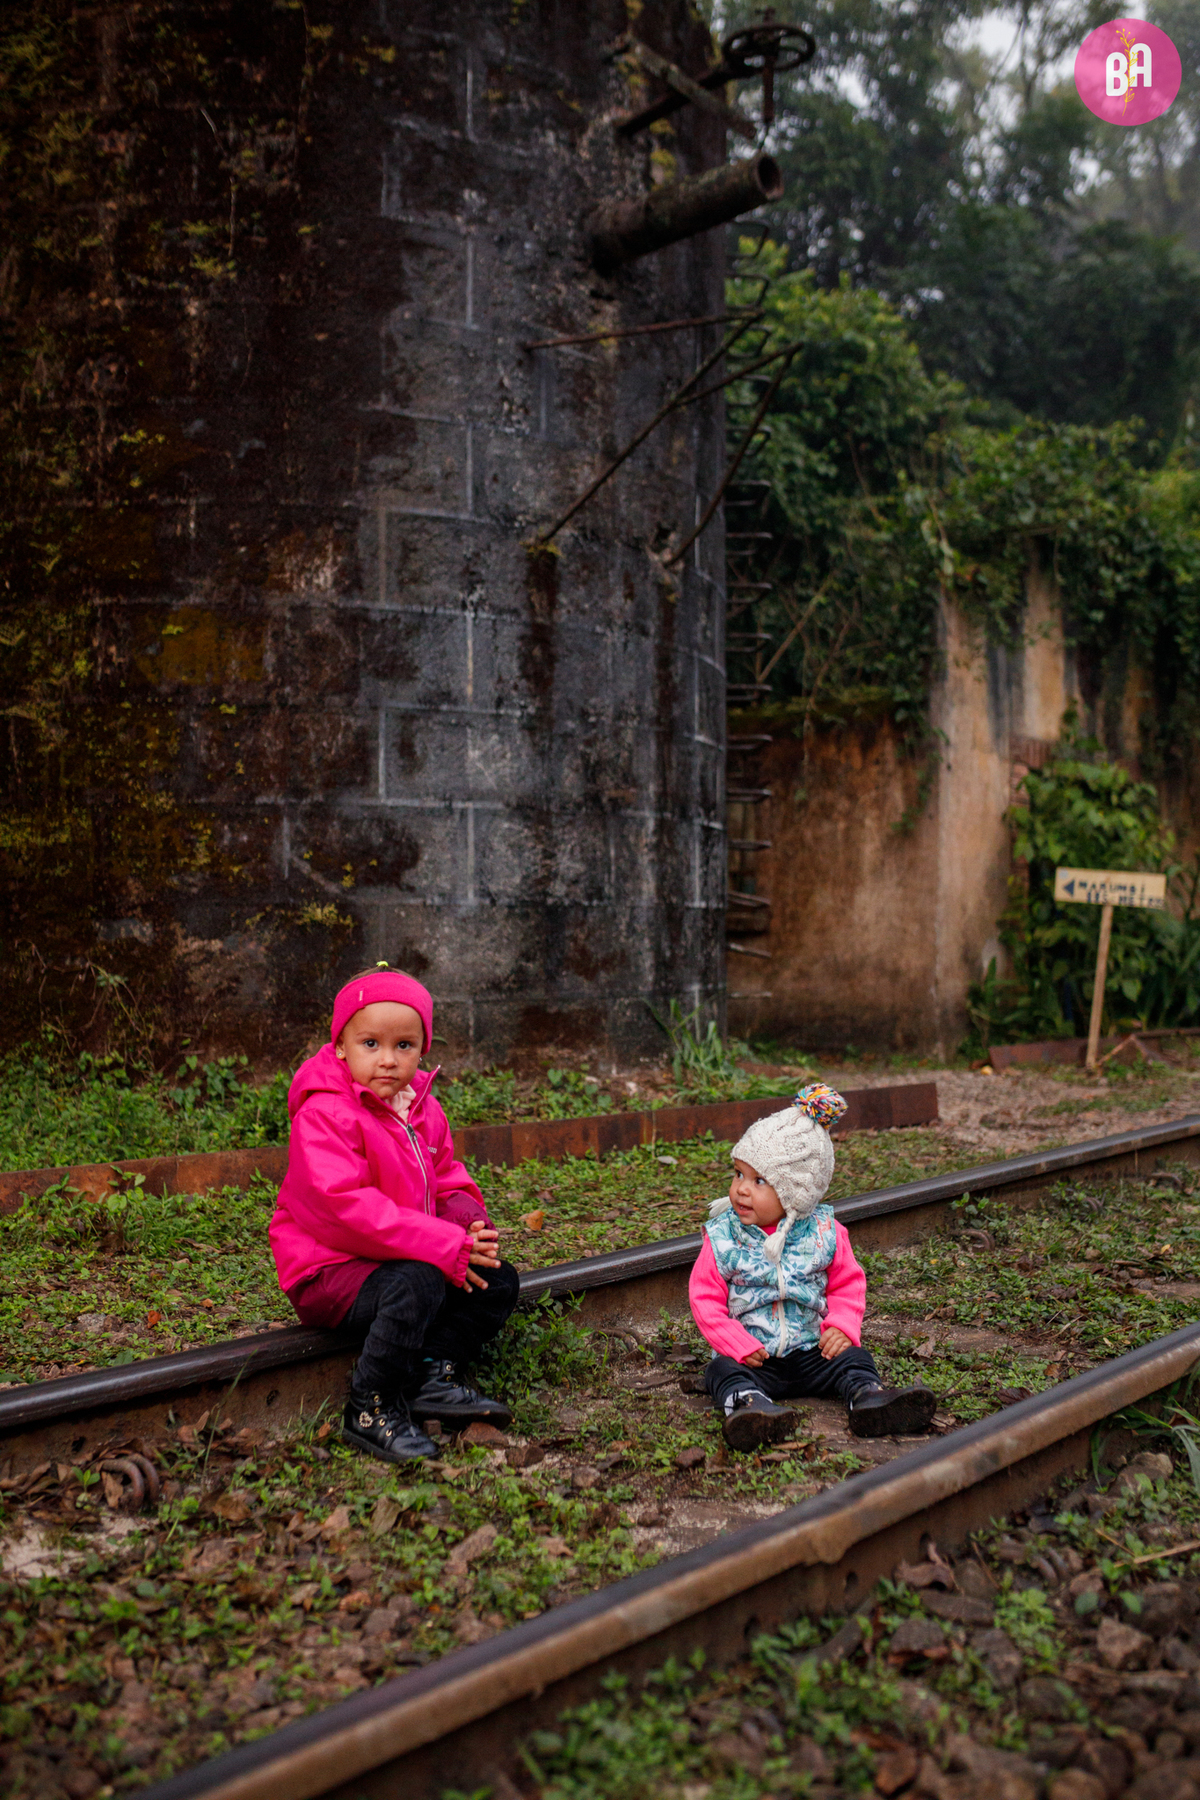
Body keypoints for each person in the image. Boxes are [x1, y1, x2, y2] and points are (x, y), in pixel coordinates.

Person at [270, 965, 520, 1463]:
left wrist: (465, 1216)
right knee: (418, 1284)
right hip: (329, 1269)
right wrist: (440, 1245)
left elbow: (446, 1174)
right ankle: (370, 1407)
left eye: (403, 1046)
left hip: (401, 1254)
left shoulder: (420, 1106)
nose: (388, 1060)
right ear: (340, 1046)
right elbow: (345, 1209)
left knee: (497, 1280)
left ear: (422, 1048)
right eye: (370, 1044)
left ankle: (431, 1374)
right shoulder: (325, 1113)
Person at [689, 1083, 936, 1452]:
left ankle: (868, 1399)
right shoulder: (724, 1236)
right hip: (754, 1356)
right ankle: (751, 1409)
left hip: (813, 1352)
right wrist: (734, 1343)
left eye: (759, 1181)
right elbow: (704, 1298)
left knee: (854, 1358)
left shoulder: (825, 1233)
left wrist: (841, 1325)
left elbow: (847, 1285)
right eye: (738, 1173)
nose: (741, 1189)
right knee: (721, 1372)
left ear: (794, 1194)